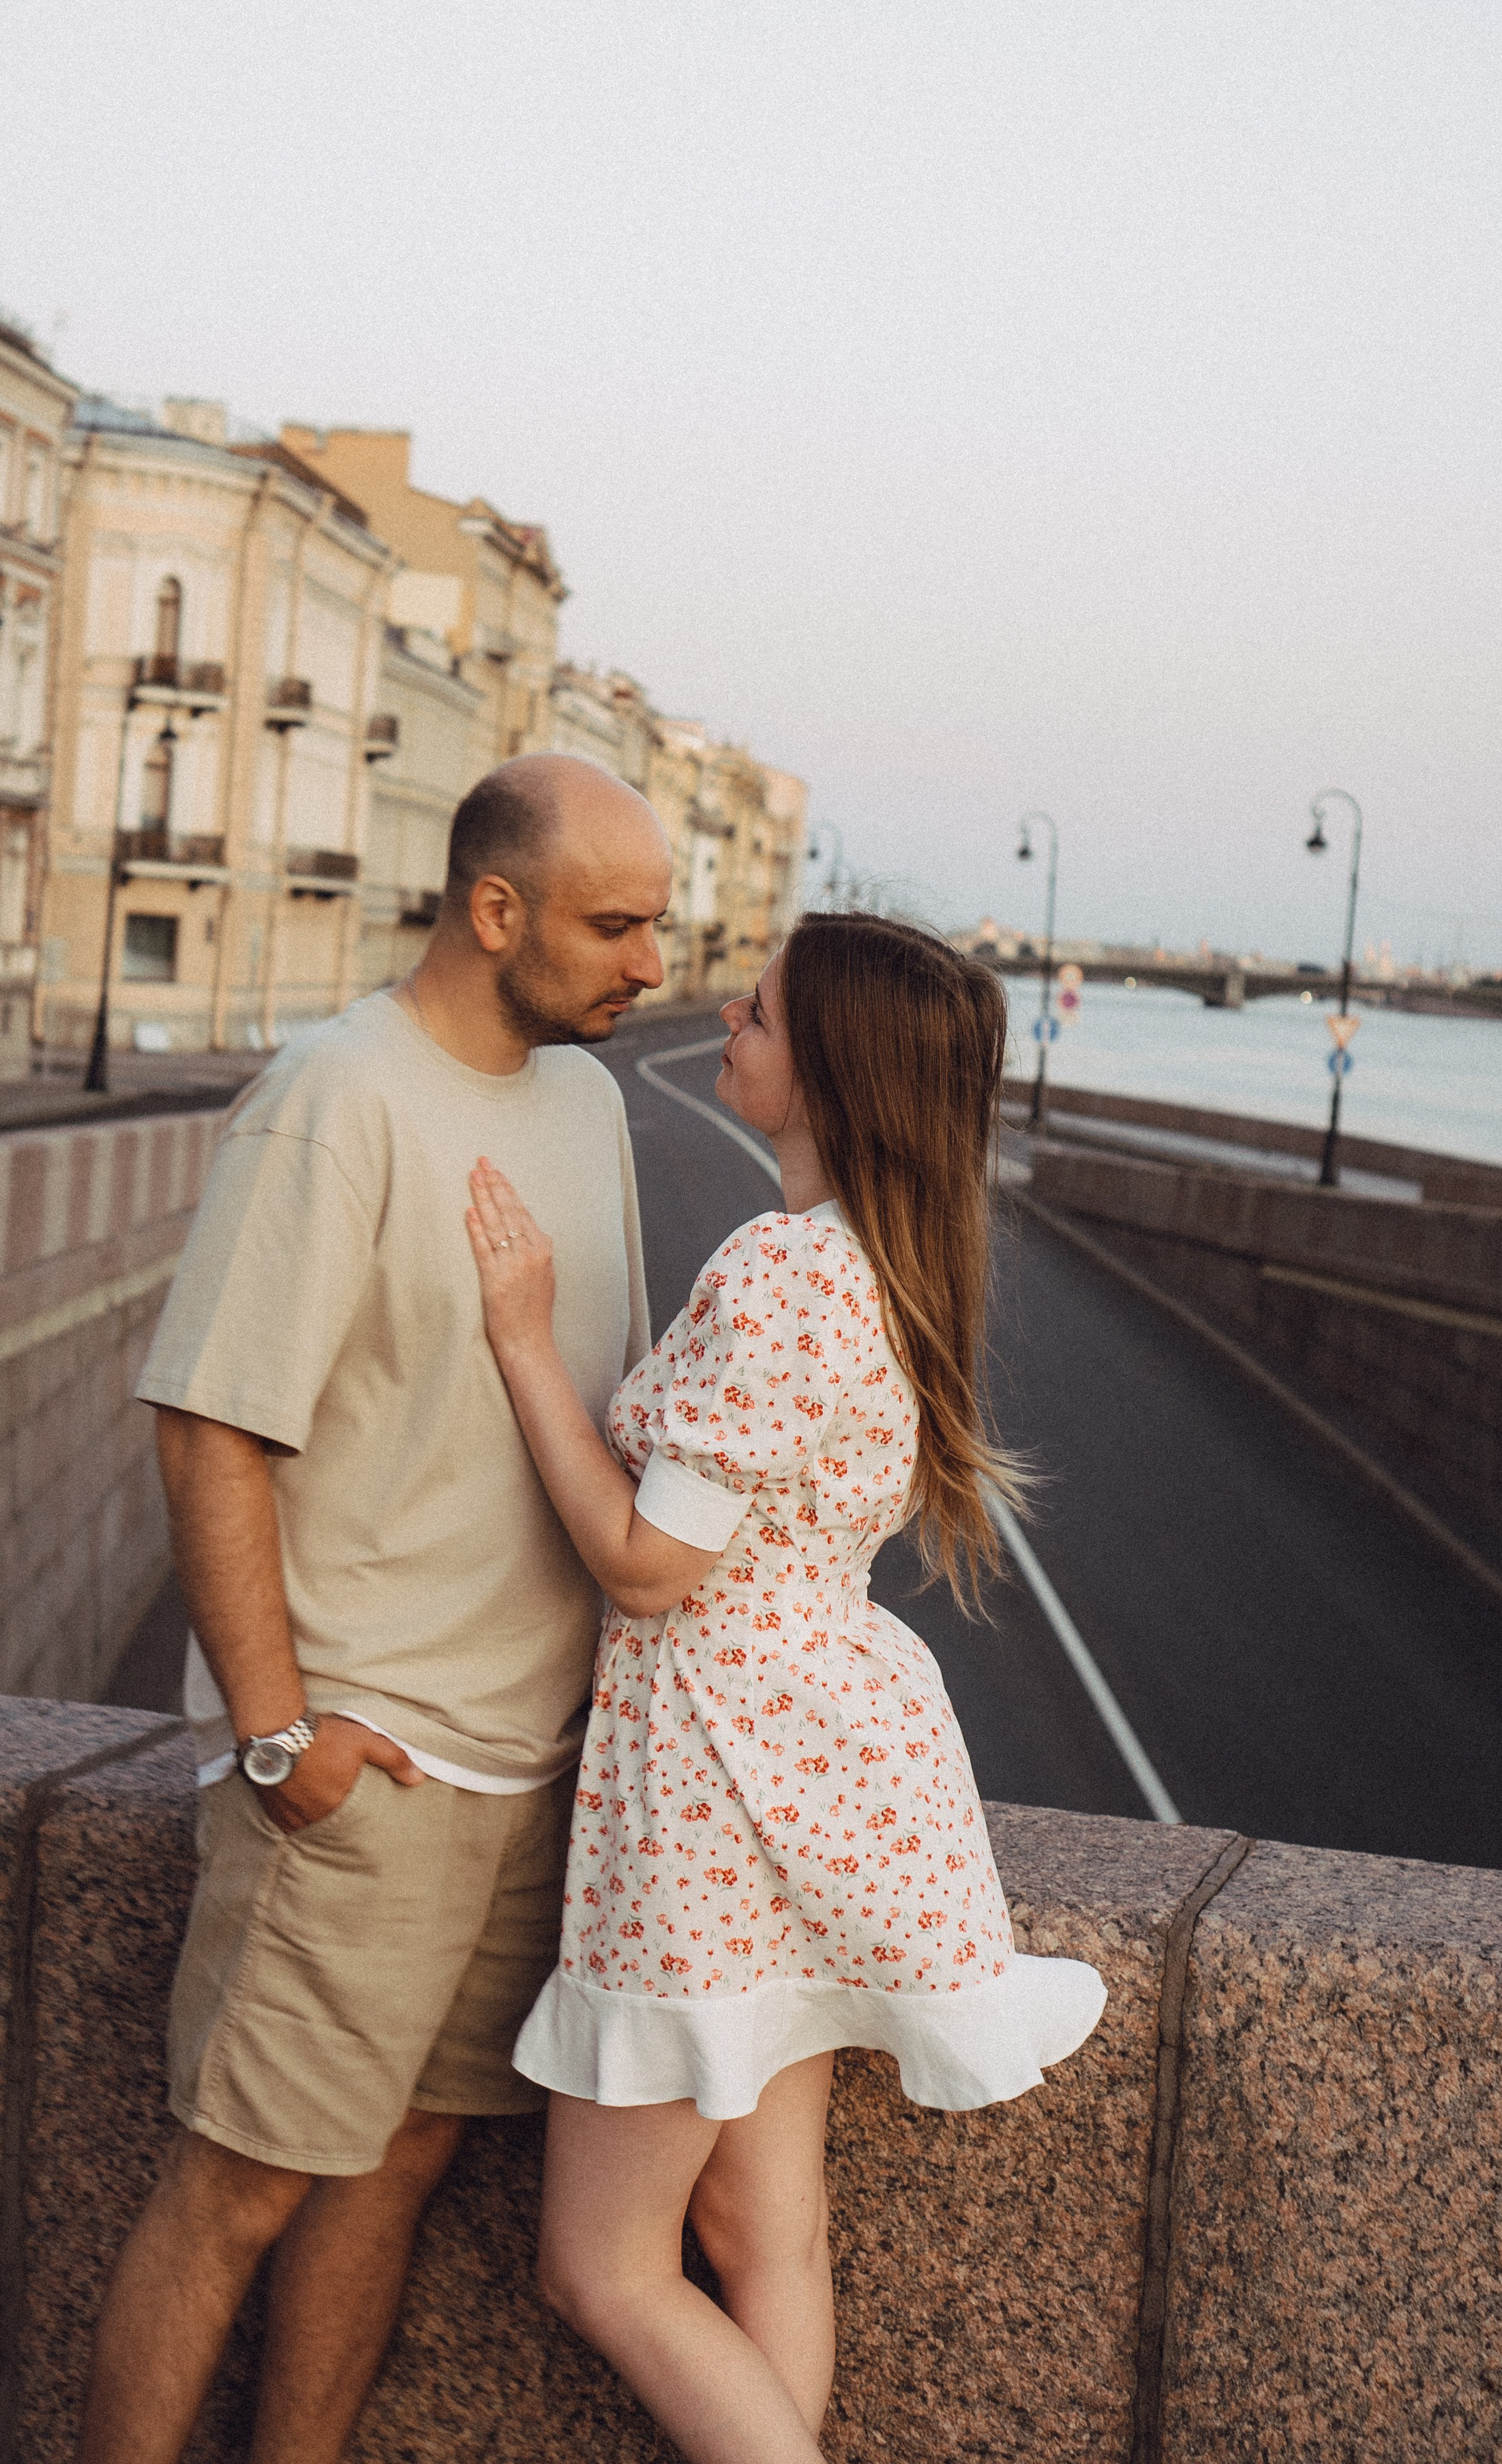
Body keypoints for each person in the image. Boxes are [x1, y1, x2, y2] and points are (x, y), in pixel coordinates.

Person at [77, 753, 671, 2464]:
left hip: (531, 1765)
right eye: (613, 925)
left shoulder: (590, 1102)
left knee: (400, 2159)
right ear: (495, 912)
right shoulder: (335, 1093)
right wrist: (279, 1737)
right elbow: (209, 1418)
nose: (646, 965)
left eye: (654, 927)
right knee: (239, 2188)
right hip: (368, 1768)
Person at [464, 909, 1107, 2464]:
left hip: (705, 1793)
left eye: (751, 1014)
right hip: (807, 1774)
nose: (727, 1026)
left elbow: (642, 1566)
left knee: (601, 2267)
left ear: (823, 1070)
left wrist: (522, 1341)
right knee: (766, 2241)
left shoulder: (778, 1273)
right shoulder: (886, 1265)